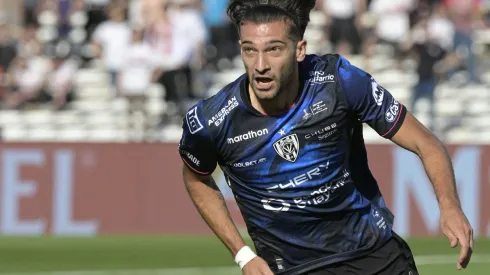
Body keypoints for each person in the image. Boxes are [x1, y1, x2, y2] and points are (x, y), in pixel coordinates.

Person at [178, 0, 474, 274]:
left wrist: (450, 207)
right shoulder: (212, 121)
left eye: (274, 49)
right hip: (294, 269)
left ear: (299, 49)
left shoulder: (339, 81)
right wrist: (242, 254)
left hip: (374, 257)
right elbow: (196, 178)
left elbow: (426, 143)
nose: (260, 65)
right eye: (249, 50)